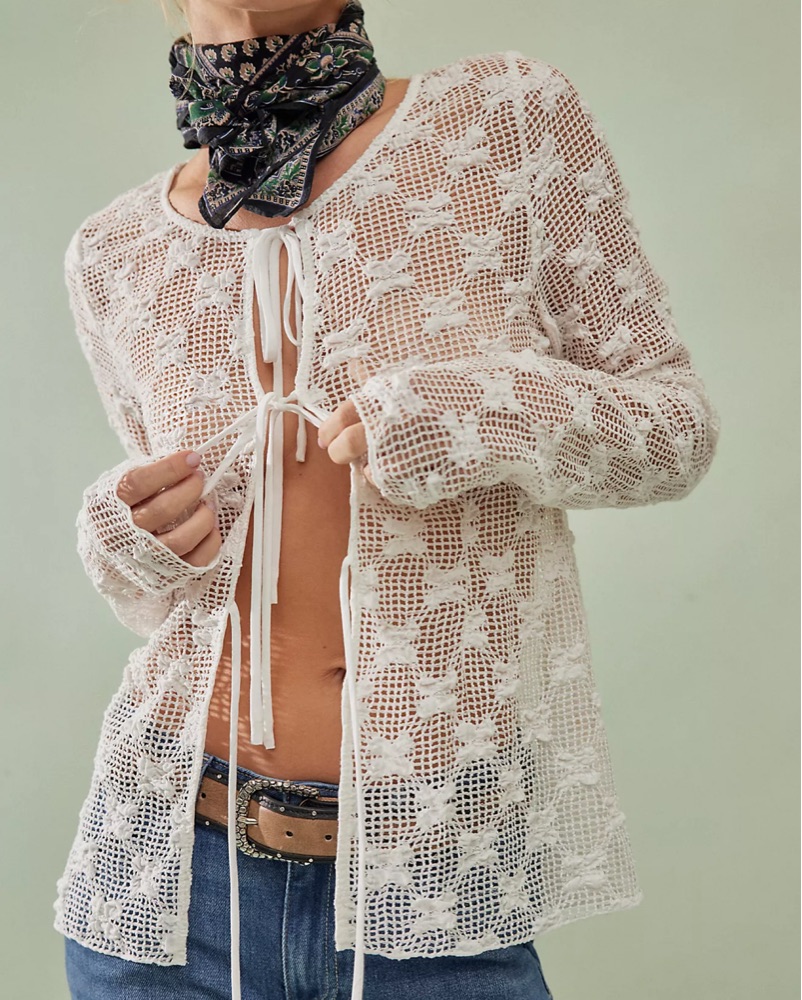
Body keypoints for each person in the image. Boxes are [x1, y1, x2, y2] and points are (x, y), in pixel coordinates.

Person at [54, 1, 721, 998]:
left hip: (435, 867)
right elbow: (168, 595)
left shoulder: (504, 118)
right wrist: (122, 541)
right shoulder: (112, 252)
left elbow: (675, 430)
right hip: (173, 878)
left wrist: (478, 412)